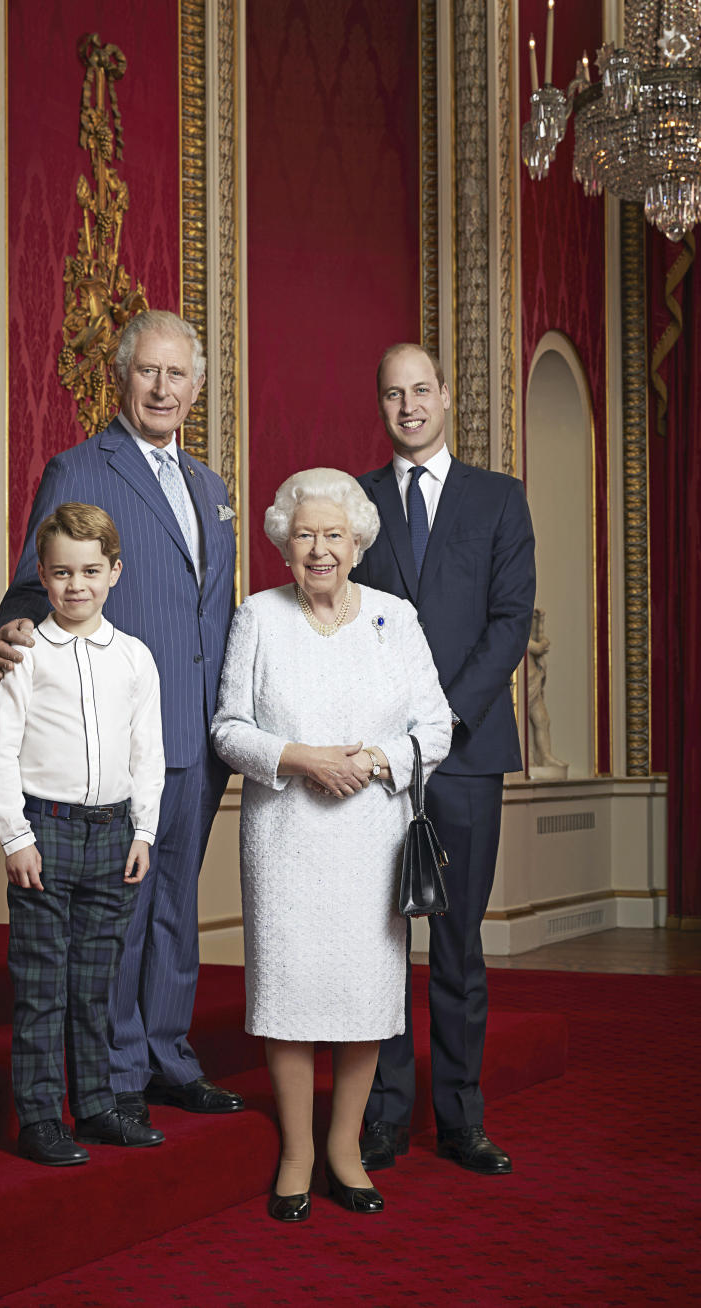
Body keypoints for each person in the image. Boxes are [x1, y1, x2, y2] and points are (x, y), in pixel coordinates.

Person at [0, 310, 243, 1124]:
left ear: (196, 388)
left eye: (178, 375)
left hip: (201, 732)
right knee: (121, 918)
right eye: (149, 372)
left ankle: (169, 1053)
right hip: (120, 729)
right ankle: (114, 1073)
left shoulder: (211, 486)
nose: (164, 388)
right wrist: (17, 624)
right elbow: (38, 576)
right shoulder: (80, 468)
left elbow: (213, 610)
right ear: (123, 377)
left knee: (176, 905)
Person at [211, 468, 452, 1221]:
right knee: (287, 991)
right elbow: (228, 728)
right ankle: (297, 1151)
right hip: (285, 835)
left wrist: (375, 762)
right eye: (306, 535)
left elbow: (435, 727)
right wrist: (301, 759)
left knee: (364, 996)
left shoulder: (395, 617)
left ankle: (345, 1148)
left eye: (334, 536)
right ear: (285, 542)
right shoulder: (258, 616)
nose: (320, 550)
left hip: (371, 835)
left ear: (357, 543)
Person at [353, 343, 535, 1176]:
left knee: (458, 944)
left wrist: (444, 717)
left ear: (446, 398)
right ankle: (385, 1115)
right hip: (379, 760)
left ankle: (461, 1118)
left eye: (420, 390)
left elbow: (509, 623)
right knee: (383, 943)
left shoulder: (500, 500)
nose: (408, 406)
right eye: (394, 394)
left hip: (464, 754)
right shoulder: (351, 503)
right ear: (382, 405)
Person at [0, 503, 166, 1162]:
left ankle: (94, 1107)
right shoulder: (28, 655)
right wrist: (14, 837)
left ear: (114, 571)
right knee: (41, 984)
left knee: (95, 984)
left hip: (113, 835)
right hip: (46, 832)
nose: (76, 585)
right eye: (62, 573)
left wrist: (143, 831)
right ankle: (39, 1116)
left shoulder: (136, 659)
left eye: (91, 570)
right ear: (43, 574)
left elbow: (149, 753)